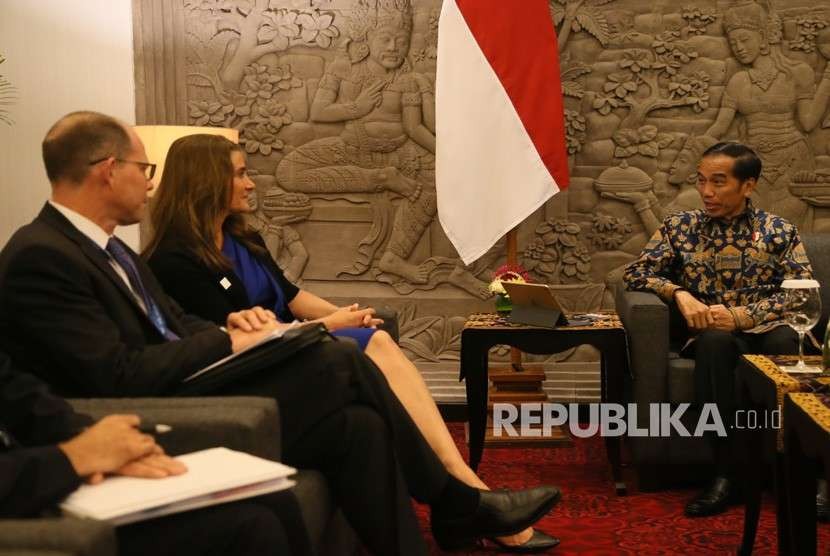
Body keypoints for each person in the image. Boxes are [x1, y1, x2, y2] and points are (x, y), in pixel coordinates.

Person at [0, 111, 560, 555]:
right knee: (336, 360)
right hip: (157, 406)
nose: (150, 184)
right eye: (144, 170)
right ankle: (457, 502)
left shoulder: (112, 247)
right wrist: (227, 340)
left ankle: (446, 514)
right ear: (107, 170)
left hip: (189, 379)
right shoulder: (41, 257)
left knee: (359, 427)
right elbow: (113, 375)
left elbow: (175, 321)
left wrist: (238, 325)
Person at [143, 133, 557, 551]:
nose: (251, 184)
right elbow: (233, 341)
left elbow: (290, 295)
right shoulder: (174, 259)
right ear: (205, 181)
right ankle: (466, 488)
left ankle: (463, 495)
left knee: (372, 336)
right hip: (263, 366)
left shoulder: (244, 240)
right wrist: (328, 328)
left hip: (294, 346)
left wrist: (341, 315)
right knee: (373, 344)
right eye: (240, 174)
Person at [623, 142, 813, 517]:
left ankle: (809, 471)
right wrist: (679, 294)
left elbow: (802, 292)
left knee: (788, 340)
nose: (706, 192)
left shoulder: (778, 230)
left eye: (718, 182)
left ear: (748, 185)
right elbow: (637, 272)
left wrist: (743, 316)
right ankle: (727, 475)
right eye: (702, 181)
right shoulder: (680, 227)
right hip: (711, 334)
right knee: (714, 343)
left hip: (765, 326)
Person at [0, 350, 292, 556]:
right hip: (21, 508)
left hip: (44, 473)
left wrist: (91, 441)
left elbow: (17, 393)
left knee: (270, 494)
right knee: (249, 526)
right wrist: (71, 458)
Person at [704, 0, 830, 226]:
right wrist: (698, 148)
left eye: (744, 39)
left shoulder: (796, 73)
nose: (739, 48)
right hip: (752, 163)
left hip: (794, 162)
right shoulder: (738, 81)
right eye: (733, 43)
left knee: (788, 227)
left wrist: (828, 76)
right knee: (754, 226)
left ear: (763, 37)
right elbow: (719, 128)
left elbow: (809, 122)